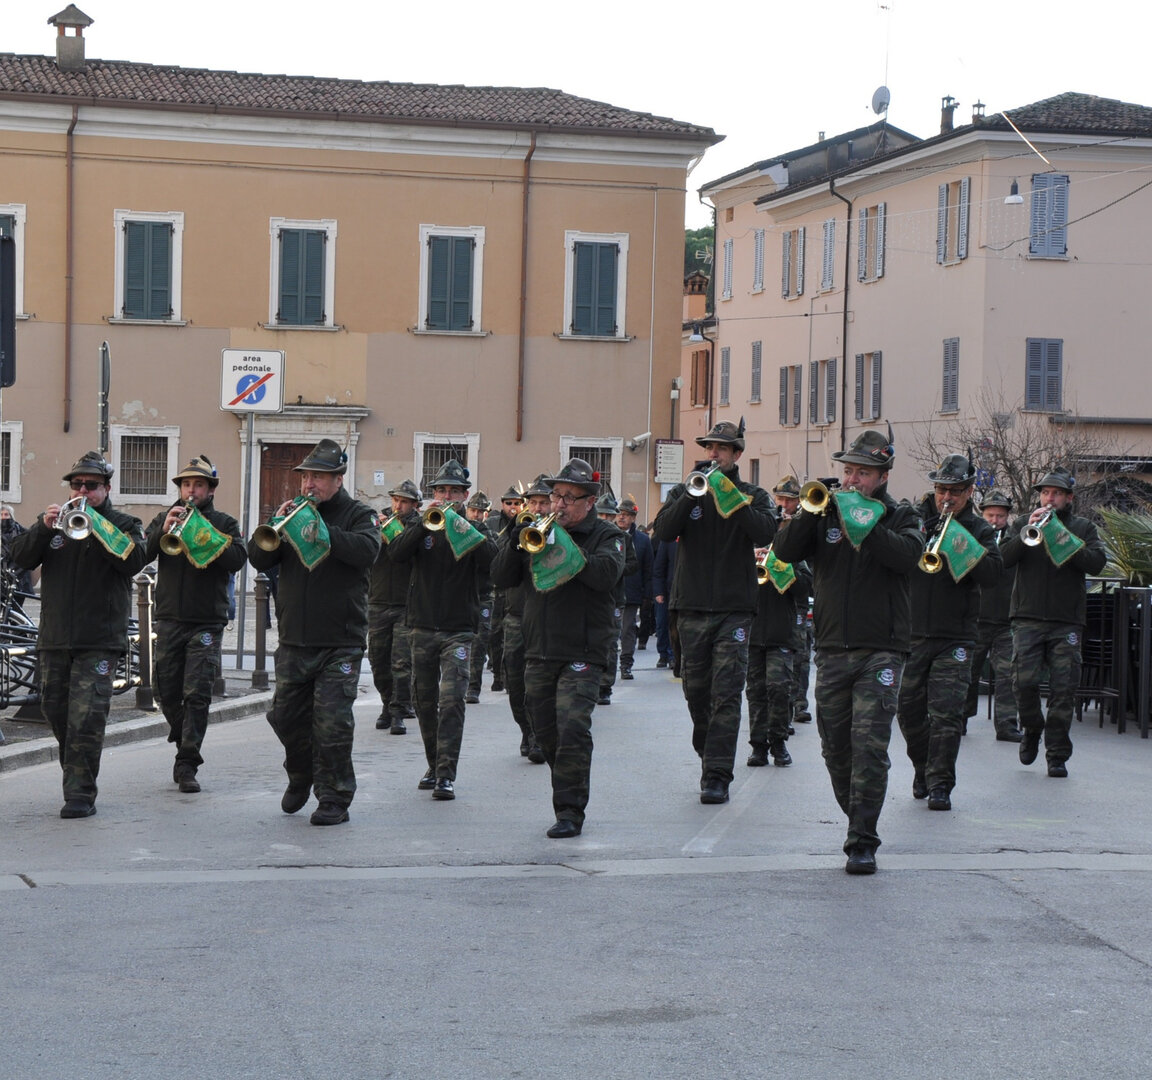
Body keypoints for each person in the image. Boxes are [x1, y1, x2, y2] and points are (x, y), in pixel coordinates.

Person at [773, 430, 924, 874]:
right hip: (833, 647)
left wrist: (864, 521)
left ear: (883, 477)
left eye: (863, 473)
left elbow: (906, 558)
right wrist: (808, 513)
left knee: (870, 748)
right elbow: (784, 551)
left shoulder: (901, 515)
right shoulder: (826, 513)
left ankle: (862, 839)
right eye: (849, 471)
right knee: (835, 749)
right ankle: (857, 813)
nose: (852, 480)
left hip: (882, 650)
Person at [491, 458, 625, 837]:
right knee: (546, 732)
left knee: (572, 729)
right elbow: (500, 577)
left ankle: (569, 811)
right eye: (556, 496)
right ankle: (567, 783)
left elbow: (604, 576)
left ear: (589, 502)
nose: (559, 504)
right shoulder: (535, 531)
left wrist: (562, 543)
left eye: (569, 497)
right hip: (539, 649)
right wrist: (516, 543)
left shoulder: (609, 537)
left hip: (583, 650)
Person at [249, 439, 380, 825]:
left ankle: (334, 797)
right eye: (305, 476)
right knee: (285, 717)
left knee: (332, 724)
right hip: (294, 640)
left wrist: (323, 531)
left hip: (340, 641)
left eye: (318, 477)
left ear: (338, 479)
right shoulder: (294, 515)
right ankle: (300, 773)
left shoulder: (359, 515)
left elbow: (367, 551)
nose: (309, 484)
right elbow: (259, 557)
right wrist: (275, 525)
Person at [10, 451, 147, 818]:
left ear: (107, 489)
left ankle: (80, 794)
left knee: (86, 718)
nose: (83, 491)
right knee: (55, 711)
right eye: (77, 484)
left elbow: (134, 560)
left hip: (99, 641)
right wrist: (42, 527)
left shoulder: (125, 524)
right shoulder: (56, 524)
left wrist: (98, 525)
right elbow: (19, 558)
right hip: (55, 638)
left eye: (92, 485)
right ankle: (77, 773)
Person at [652, 419, 776, 805]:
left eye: (721, 448)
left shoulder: (752, 495)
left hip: (734, 609)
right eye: (709, 447)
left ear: (736, 454)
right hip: (690, 606)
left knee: (726, 694)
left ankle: (718, 774)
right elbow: (662, 531)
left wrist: (730, 498)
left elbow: (765, 532)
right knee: (696, 692)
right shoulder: (687, 489)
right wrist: (692, 496)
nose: (713, 453)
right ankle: (709, 751)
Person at [896, 454, 1002, 811]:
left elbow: (993, 574)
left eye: (955, 491)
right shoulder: (916, 517)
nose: (947, 497)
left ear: (969, 492)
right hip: (912, 633)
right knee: (908, 711)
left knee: (946, 714)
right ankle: (922, 767)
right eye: (942, 489)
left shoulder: (978, 528)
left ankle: (941, 783)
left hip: (956, 636)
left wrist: (959, 541)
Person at [388, 458, 496, 800]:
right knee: (424, 701)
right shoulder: (421, 525)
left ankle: (446, 774)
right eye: (441, 491)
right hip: (421, 625)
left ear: (464, 496)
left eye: (453, 492)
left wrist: (463, 528)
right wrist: (422, 525)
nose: (447, 497)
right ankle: (434, 764)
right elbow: (396, 554)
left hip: (459, 629)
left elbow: (493, 561)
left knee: (451, 701)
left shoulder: (476, 529)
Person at [144, 455, 247, 794]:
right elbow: (141, 554)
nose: (191, 491)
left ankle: (187, 762)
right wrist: (162, 530)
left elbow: (237, 559)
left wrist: (204, 534)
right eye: (186, 485)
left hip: (206, 621)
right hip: (170, 617)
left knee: (197, 693)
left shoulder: (225, 523)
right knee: (165, 690)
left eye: (198, 485)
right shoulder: (166, 517)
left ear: (210, 490)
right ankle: (182, 732)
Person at [1001, 468, 1107, 777]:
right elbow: (1003, 558)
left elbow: (1097, 564)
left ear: (1068, 498)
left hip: (1066, 621)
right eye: (1045, 493)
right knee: (1023, 682)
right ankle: (1033, 727)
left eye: (1056, 493)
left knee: (1064, 690)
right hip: (1027, 617)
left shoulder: (1083, 528)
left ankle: (1057, 754)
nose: (1049, 498)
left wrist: (1062, 537)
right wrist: (1027, 532)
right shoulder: (1024, 523)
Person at [500, 473, 552, 762]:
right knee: (516, 682)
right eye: (533, 502)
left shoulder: (560, 532)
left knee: (540, 683)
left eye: (544, 502)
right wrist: (514, 541)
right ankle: (526, 729)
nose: (538, 508)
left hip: (547, 617)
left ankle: (539, 736)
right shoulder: (515, 529)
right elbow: (499, 574)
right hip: (517, 615)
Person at [963, 491, 1022, 742]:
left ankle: (1007, 725)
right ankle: (960, 719)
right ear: (982, 514)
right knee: (968, 673)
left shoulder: (1014, 540)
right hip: (975, 618)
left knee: (1008, 675)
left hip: (1005, 619)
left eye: (1000, 516)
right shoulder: (974, 536)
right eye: (990, 515)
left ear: (1007, 516)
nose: (995, 520)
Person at [368, 479, 421, 734]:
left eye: (405, 502)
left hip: (406, 603)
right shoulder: (377, 521)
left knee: (401, 662)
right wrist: (375, 534)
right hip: (377, 600)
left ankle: (398, 711)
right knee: (378, 661)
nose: (398, 506)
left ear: (415, 505)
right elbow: (367, 555)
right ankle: (387, 703)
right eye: (396, 500)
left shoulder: (419, 526)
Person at [772, 476, 813, 726]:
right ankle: (779, 708)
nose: (784, 505)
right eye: (780, 499)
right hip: (771, 603)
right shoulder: (769, 523)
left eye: (789, 500)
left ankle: (799, 703)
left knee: (800, 655)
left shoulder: (803, 526)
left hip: (798, 601)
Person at [594, 489, 633, 705]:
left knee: (610, 643)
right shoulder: (590, 535)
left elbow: (633, 564)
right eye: (602, 514)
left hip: (615, 597)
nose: (606, 518)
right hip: (592, 596)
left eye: (609, 515)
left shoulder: (623, 538)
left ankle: (605, 686)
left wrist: (615, 569)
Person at [485, 485, 524, 692]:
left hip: (512, 589)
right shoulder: (492, 522)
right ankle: (497, 675)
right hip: (495, 586)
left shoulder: (525, 521)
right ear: (502, 504)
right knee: (494, 633)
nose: (512, 507)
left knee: (509, 635)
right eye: (509, 503)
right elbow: (494, 548)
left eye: (517, 503)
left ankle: (508, 678)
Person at [615, 496, 653, 679]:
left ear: (633, 517)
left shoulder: (643, 540)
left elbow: (648, 569)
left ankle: (626, 664)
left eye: (626, 514)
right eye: (619, 514)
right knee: (608, 630)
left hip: (631, 593)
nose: (621, 517)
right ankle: (606, 665)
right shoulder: (607, 534)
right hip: (608, 592)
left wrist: (647, 595)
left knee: (627, 629)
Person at [464, 491, 495, 704]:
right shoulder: (459, 530)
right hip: (462, 596)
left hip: (483, 595)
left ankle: (473, 687)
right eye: (473, 510)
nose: (476, 515)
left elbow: (492, 559)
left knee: (479, 642)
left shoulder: (488, 534)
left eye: (480, 511)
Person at [652, 534, 677, 671]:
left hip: (686, 592)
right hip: (667, 591)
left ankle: (674, 656)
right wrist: (658, 592)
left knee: (676, 626)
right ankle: (663, 654)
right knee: (662, 624)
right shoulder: (668, 540)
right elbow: (659, 568)